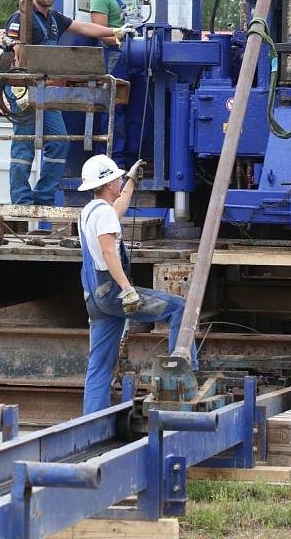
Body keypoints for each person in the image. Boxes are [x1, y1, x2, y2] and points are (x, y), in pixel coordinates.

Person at [77, 154, 198, 414]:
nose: (119, 180)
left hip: (94, 299)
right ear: (108, 184)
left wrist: (131, 181)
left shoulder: (90, 212)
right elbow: (109, 252)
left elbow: (117, 209)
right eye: (117, 178)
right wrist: (128, 289)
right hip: (113, 293)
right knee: (180, 308)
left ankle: (91, 422)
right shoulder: (104, 215)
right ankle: (187, 376)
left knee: (98, 365)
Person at [5, 0, 134, 206]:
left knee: (60, 140)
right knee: (24, 145)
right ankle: (21, 202)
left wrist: (114, 31)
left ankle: (42, 199)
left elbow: (84, 27)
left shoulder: (54, 19)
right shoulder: (20, 18)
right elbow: (15, 51)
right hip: (22, 90)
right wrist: (24, 80)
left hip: (47, 91)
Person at [90, 0, 140, 169]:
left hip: (135, 58)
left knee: (135, 110)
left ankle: (130, 160)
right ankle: (111, 161)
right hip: (114, 58)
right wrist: (119, 37)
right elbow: (100, 33)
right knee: (114, 109)